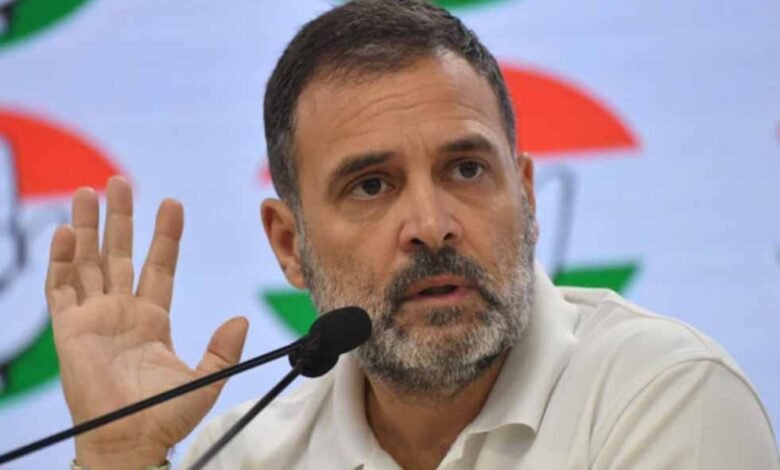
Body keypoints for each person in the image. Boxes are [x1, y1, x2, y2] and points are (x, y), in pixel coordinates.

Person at [45, 1, 778, 469]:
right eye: (371, 185)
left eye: (466, 170)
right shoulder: (244, 454)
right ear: (289, 245)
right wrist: (118, 456)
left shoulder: (664, 396)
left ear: (525, 196)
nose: (431, 226)